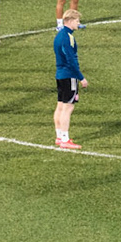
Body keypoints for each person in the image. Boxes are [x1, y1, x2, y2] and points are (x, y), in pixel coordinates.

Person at [53, 10, 85, 150]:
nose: (78, 24)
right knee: (68, 107)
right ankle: (65, 139)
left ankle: (59, 136)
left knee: (60, 106)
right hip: (69, 75)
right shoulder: (68, 37)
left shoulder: (59, 36)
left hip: (60, 74)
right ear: (70, 21)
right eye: (77, 21)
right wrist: (81, 77)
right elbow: (71, 60)